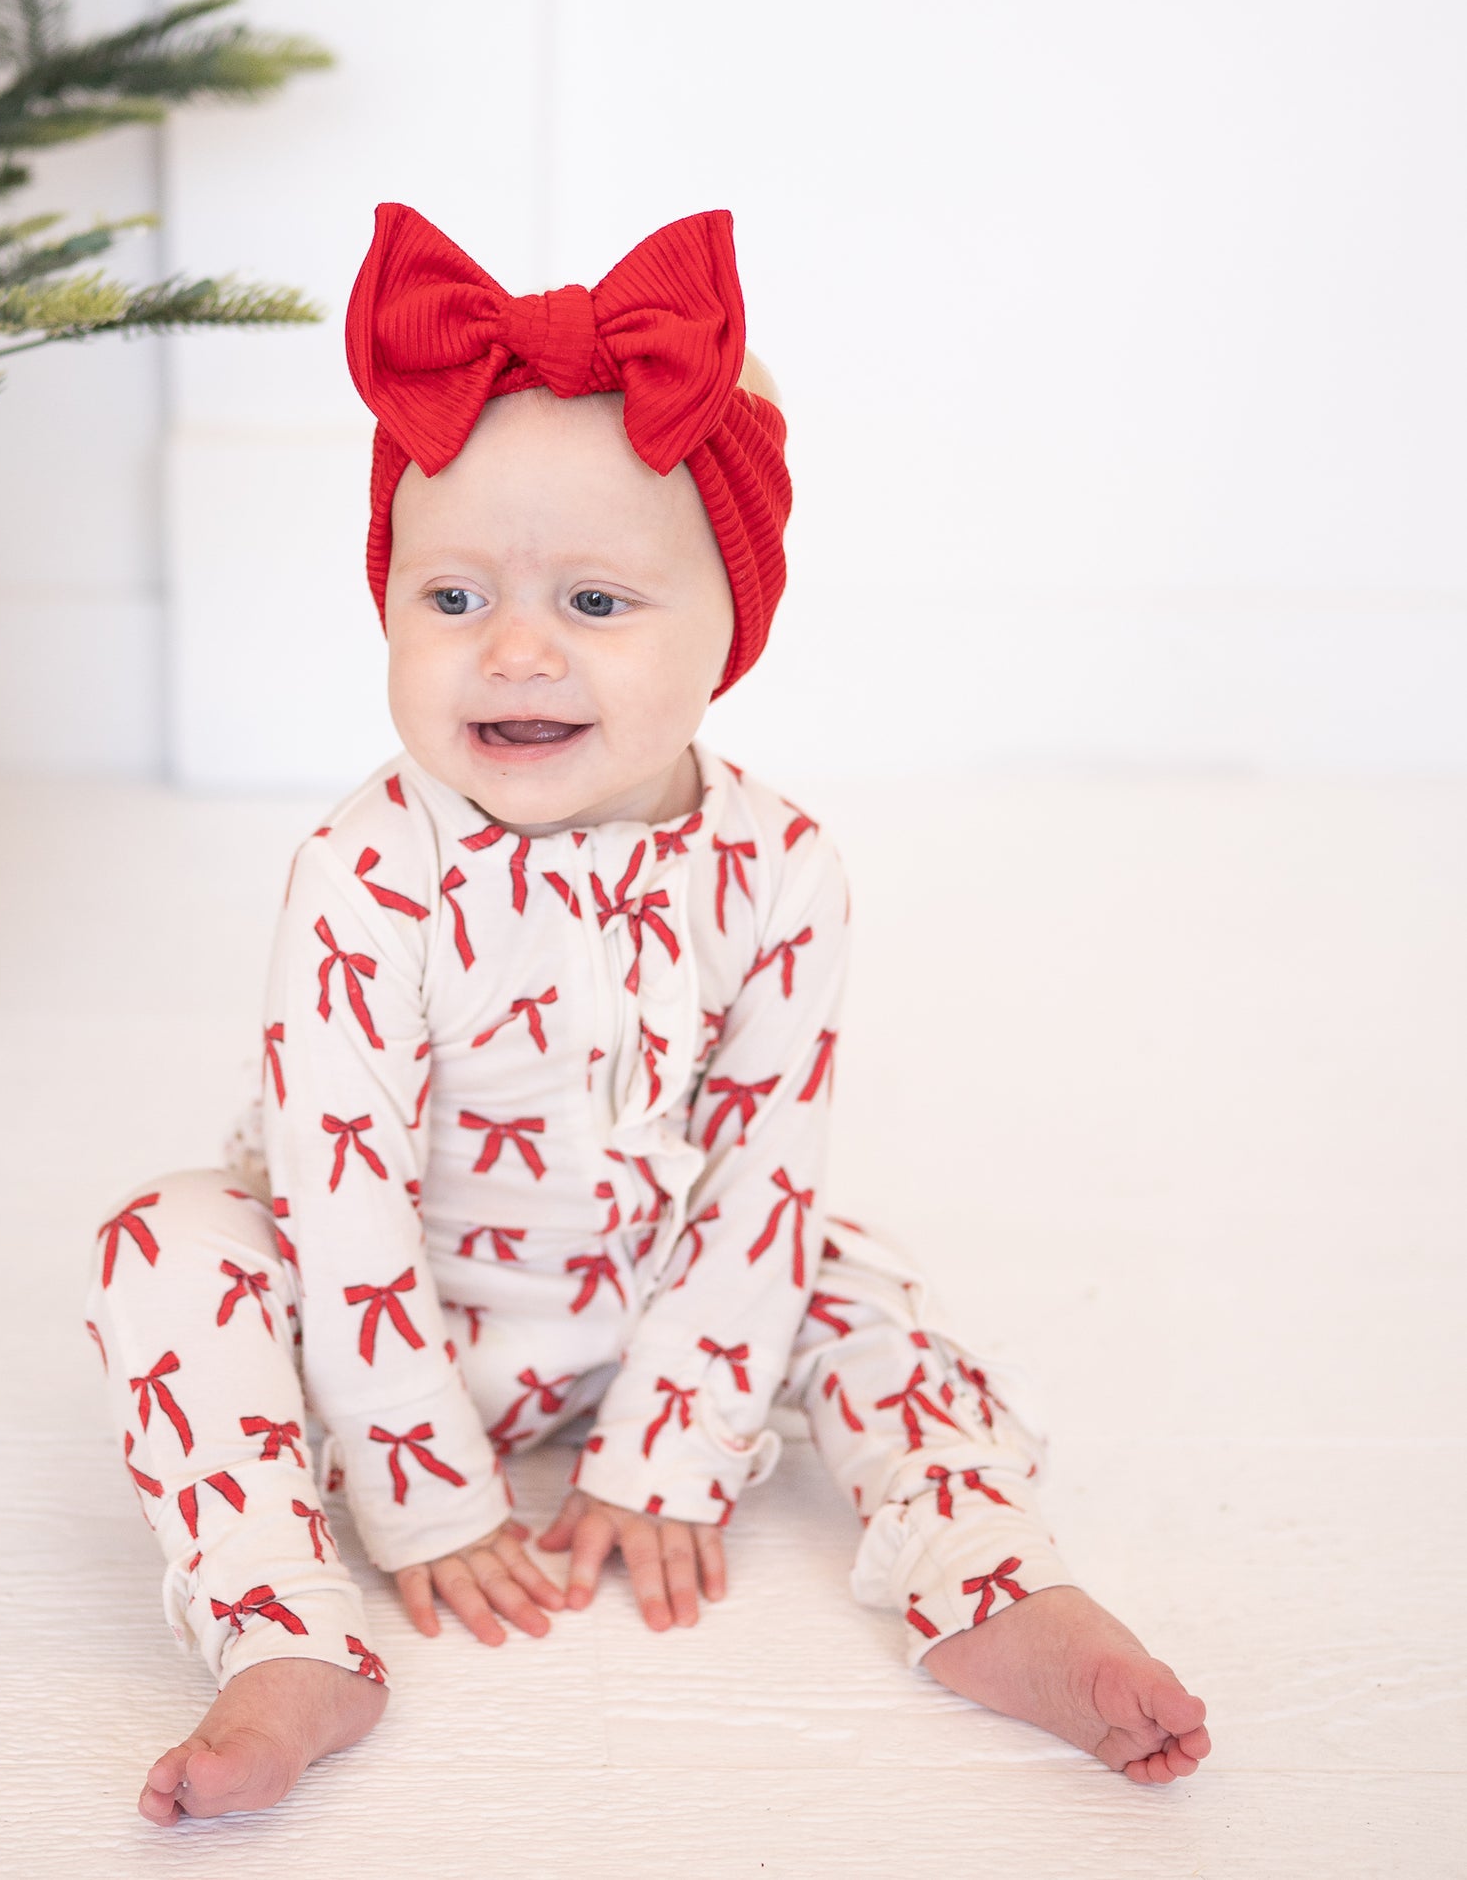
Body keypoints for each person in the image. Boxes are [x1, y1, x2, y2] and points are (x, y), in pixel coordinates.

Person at [84, 203, 1211, 1827]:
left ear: (727, 633)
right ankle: (283, 1628)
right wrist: (414, 1486)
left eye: (596, 605)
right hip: (381, 1322)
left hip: (649, 1300)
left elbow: (757, 1165)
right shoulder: (362, 866)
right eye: (450, 597)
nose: (516, 649)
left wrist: (674, 1434)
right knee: (167, 1239)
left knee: (845, 1264)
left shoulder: (780, 865)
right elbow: (335, 1196)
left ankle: (987, 1573)